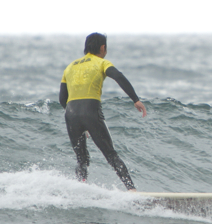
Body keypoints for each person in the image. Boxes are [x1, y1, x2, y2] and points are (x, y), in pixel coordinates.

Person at [59, 33, 147, 191]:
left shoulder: (69, 67)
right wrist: (135, 99)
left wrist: (77, 119)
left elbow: (62, 99)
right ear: (102, 48)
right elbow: (118, 76)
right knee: (110, 154)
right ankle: (132, 190)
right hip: (91, 111)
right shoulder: (101, 63)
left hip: (71, 114)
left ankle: (80, 188)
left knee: (81, 160)